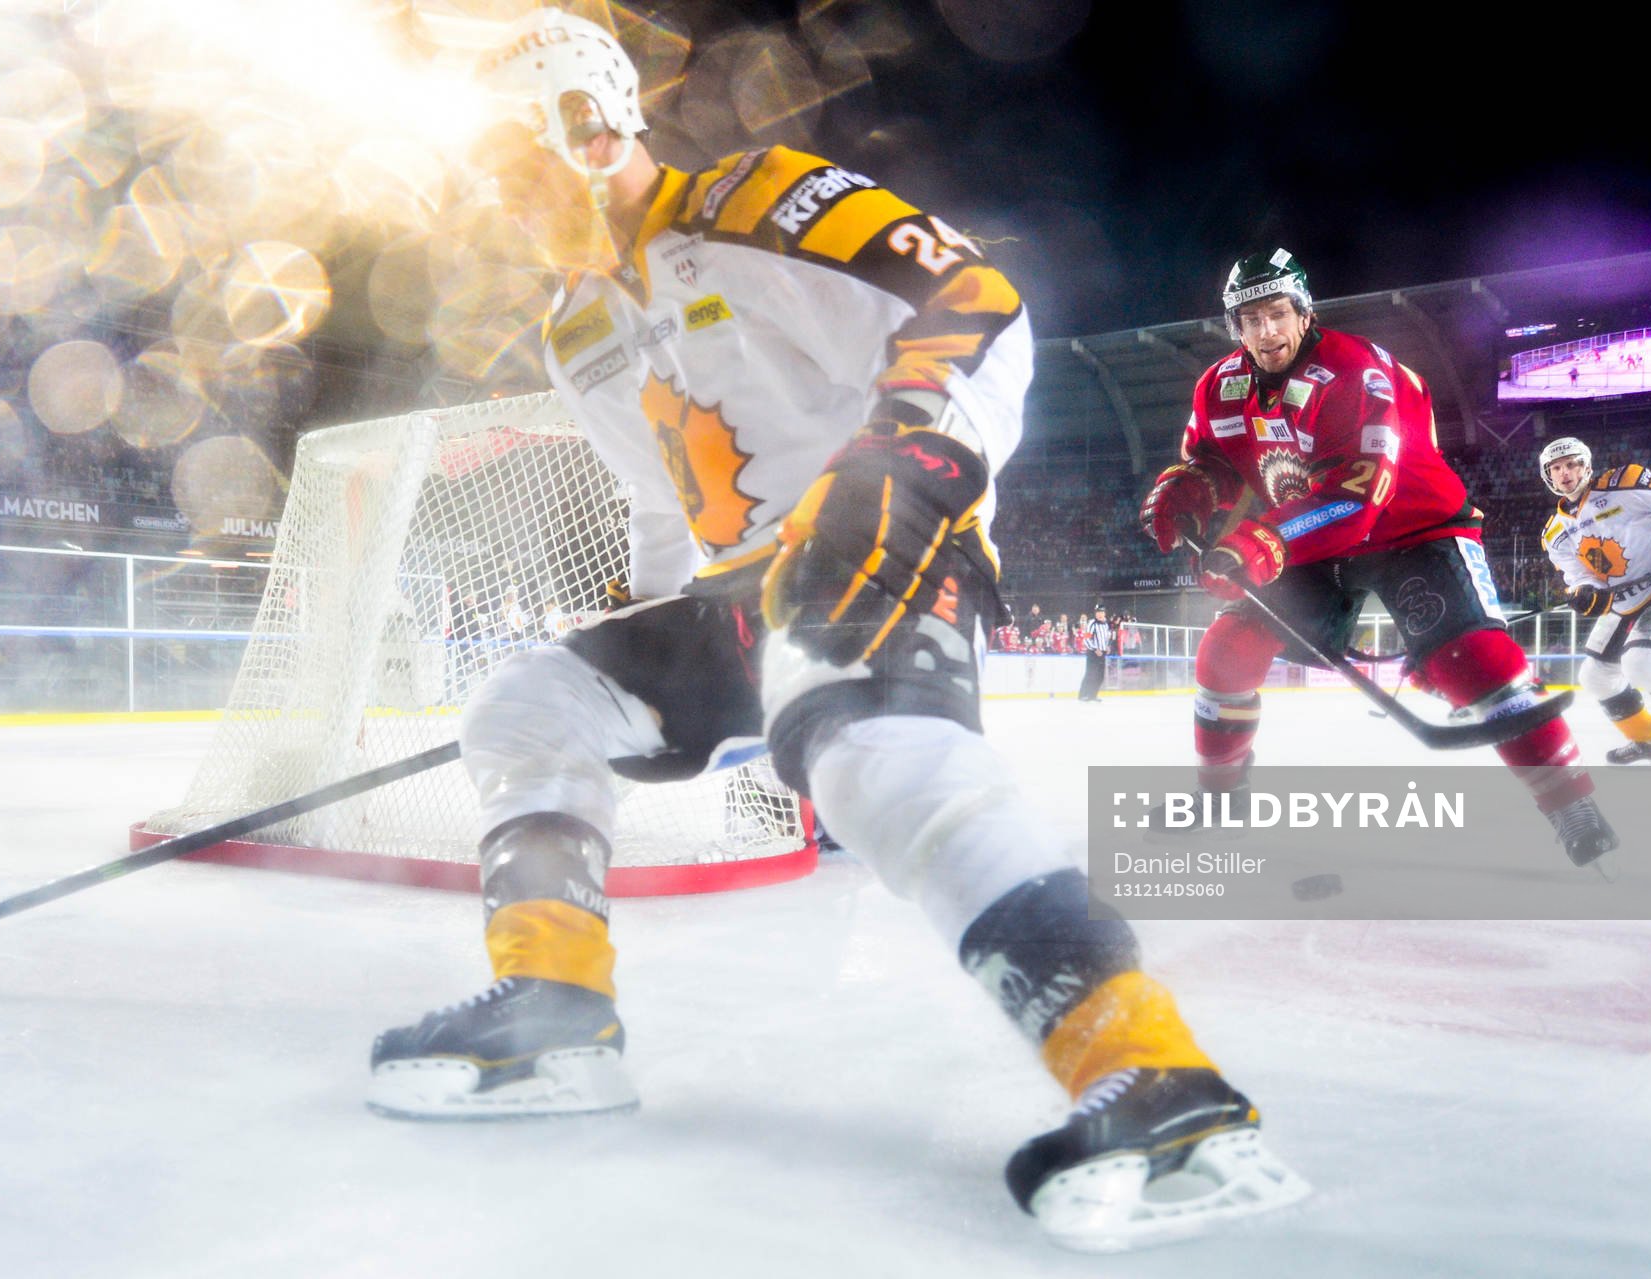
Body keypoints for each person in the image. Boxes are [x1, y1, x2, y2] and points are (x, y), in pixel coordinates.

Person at [366, 9, 1306, 1251]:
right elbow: (659, 504)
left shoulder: (757, 200)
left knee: (862, 749)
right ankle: (555, 1013)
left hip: (884, 520)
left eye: (511, 170)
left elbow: (976, 298)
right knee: (527, 706)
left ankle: (1167, 1092)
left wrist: (903, 450)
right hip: (738, 592)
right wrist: (640, 630)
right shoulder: (575, 327)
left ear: (588, 130)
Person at [1139, 249, 1618, 868]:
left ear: (1302, 311)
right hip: (1308, 536)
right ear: (1236, 326)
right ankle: (1219, 800)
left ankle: (1572, 806)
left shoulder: (1356, 370)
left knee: (1476, 662)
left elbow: (1357, 494)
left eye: (1277, 314)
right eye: (1250, 319)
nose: (1266, 332)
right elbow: (1212, 459)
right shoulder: (1219, 387)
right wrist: (1190, 489)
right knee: (1226, 654)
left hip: (1412, 528)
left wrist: (1259, 542)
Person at [1538, 437, 1651, 762]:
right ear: (1548, 476)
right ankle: (1647, 740)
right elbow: (1577, 576)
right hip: (1626, 598)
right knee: (1594, 676)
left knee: (1642, 664)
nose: (1564, 472)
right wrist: (1584, 592)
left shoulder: (1625, 483)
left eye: (1571, 463)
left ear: (1586, 465)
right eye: (1556, 468)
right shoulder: (1554, 533)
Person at [1077, 603, 1112, 702]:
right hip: (1093, 654)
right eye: (1097, 612)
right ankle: (1083, 695)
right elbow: (1086, 639)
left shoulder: (1106, 624)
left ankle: (1093, 695)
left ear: (1105, 613)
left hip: (1102, 654)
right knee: (1090, 674)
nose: (1099, 614)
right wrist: (1095, 649)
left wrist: (1107, 647)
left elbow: (1106, 638)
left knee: (1100, 676)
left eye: (1101, 612)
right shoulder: (1092, 623)